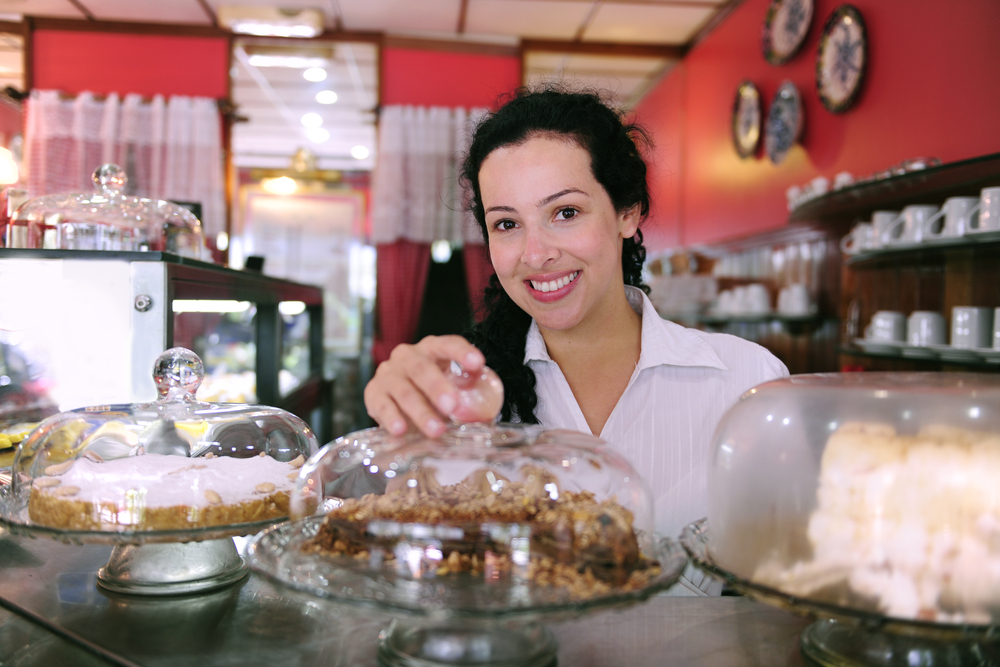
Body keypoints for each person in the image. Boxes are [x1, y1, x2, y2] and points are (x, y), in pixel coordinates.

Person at [364, 88, 788, 547]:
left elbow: (787, 578)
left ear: (628, 212)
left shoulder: (749, 384)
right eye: (507, 224)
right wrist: (407, 424)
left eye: (565, 212)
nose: (536, 254)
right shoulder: (465, 397)